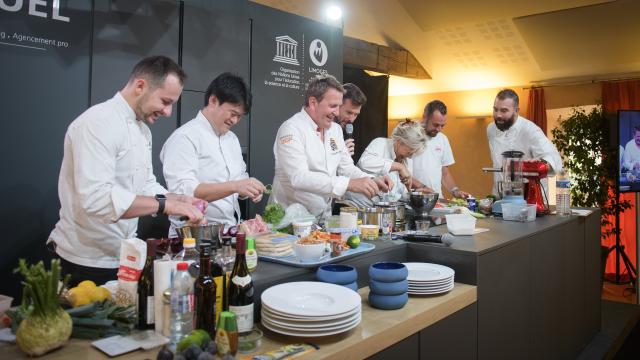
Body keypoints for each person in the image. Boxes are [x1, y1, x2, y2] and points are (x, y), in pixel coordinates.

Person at [48, 56, 206, 286]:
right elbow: (96, 200)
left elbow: (145, 184)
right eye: (165, 101)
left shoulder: (143, 131)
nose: (168, 112)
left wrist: (178, 198)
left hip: (122, 257)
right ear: (140, 85)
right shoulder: (97, 123)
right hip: (83, 262)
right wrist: (165, 205)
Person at [270, 75, 393, 218]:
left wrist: (371, 180)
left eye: (339, 106)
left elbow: (346, 168)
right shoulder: (291, 129)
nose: (336, 112)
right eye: (333, 106)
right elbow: (299, 177)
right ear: (313, 103)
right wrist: (348, 184)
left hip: (321, 220)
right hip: (289, 221)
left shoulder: (335, 130)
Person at [161, 73, 265, 232]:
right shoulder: (185, 137)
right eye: (233, 113)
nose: (235, 121)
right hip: (192, 234)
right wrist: (236, 186)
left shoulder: (232, 139)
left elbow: (239, 177)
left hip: (229, 230)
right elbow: (183, 191)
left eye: (239, 116)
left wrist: (249, 189)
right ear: (213, 101)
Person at [487, 89, 563, 196]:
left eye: (504, 111)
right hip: (501, 195)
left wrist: (524, 167)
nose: (498, 115)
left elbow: (554, 160)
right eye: (495, 109)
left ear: (516, 111)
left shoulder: (530, 130)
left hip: (530, 199)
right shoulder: (491, 129)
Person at [345, 120, 427, 208]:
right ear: (400, 142)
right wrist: (399, 167)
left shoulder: (407, 160)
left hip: (385, 211)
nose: (410, 157)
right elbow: (364, 162)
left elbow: (399, 195)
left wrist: (408, 191)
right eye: (409, 152)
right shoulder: (380, 143)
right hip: (357, 206)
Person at [412, 100, 470, 199]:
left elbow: (445, 173)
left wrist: (455, 191)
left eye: (442, 125)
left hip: (436, 198)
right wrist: (422, 187)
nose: (439, 129)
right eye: (435, 125)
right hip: (413, 197)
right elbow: (401, 170)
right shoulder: (410, 135)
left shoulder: (442, 139)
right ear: (425, 117)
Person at [335, 83, 367, 156]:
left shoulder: (339, 129)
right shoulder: (321, 127)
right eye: (349, 112)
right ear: (338, 104)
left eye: (356, 115)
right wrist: (340, 156)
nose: (352, 120)